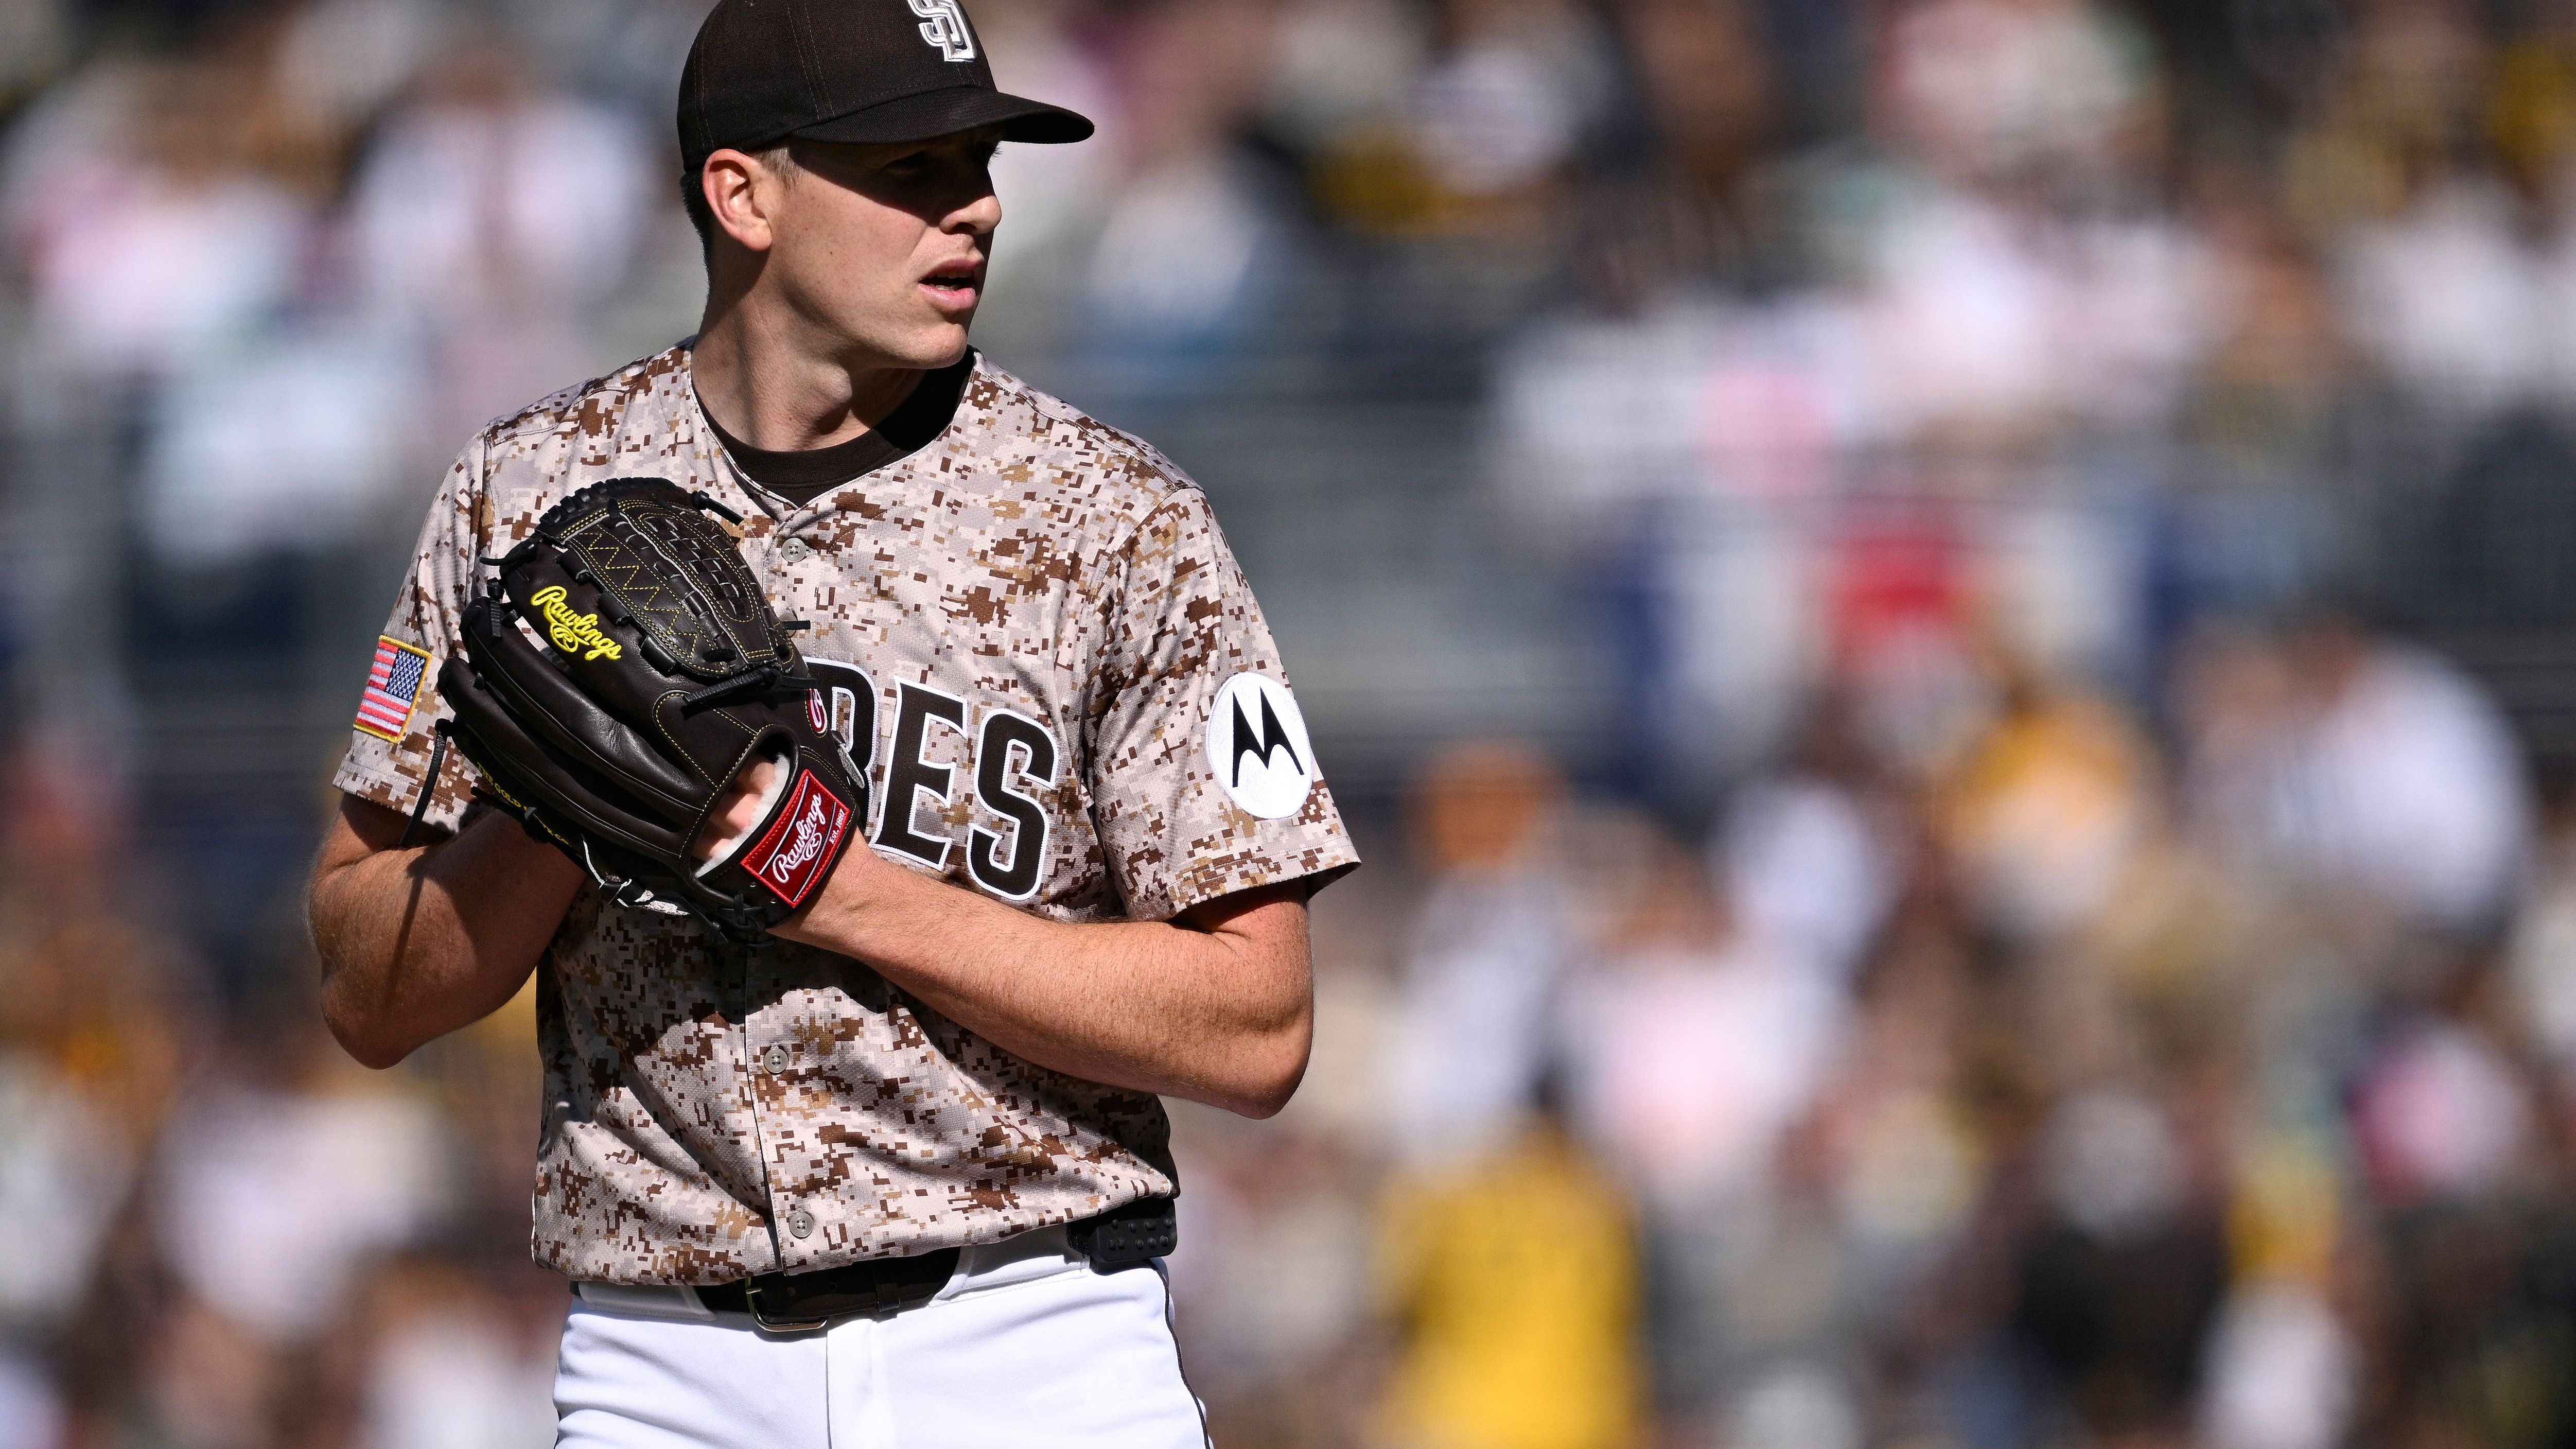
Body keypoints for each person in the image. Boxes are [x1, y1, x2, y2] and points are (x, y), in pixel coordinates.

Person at [305, 3, 1359, 1444]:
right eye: (907, 170)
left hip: (1034, 1335)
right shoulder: (523, 497)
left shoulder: (1127, 521)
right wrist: (566, 810)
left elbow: (1260, 1025)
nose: (973, 208)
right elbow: (369, 995)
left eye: (976, 164)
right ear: (744, 194)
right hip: (664, 1364)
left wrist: (839, 886)